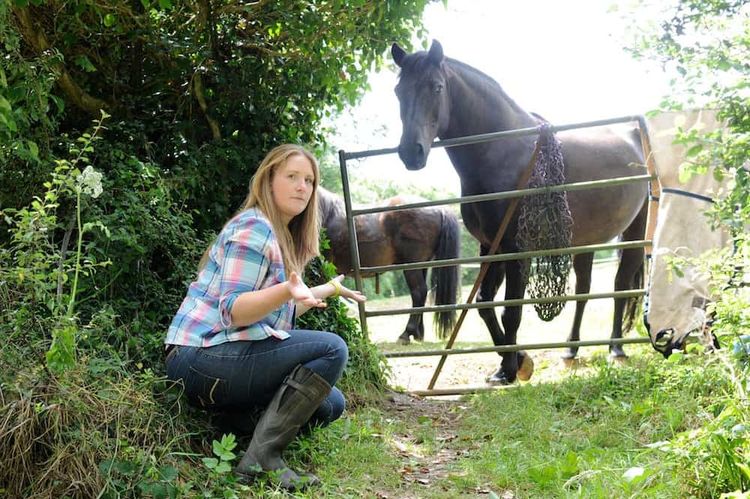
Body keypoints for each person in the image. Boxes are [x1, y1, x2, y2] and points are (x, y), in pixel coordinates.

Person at [164, 144, 366, 490]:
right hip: (198, 356)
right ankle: (262, 459)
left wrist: (326, 290)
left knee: (330, 404)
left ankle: (234, 421)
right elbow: (234, 310)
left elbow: (277, 310)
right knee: (332, 349)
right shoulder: (254, 228)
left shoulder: (278, 233)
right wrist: (287, 290)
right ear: (269, 180)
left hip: (224, 356)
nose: (303, 187)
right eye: (292, 177)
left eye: (309, 181)